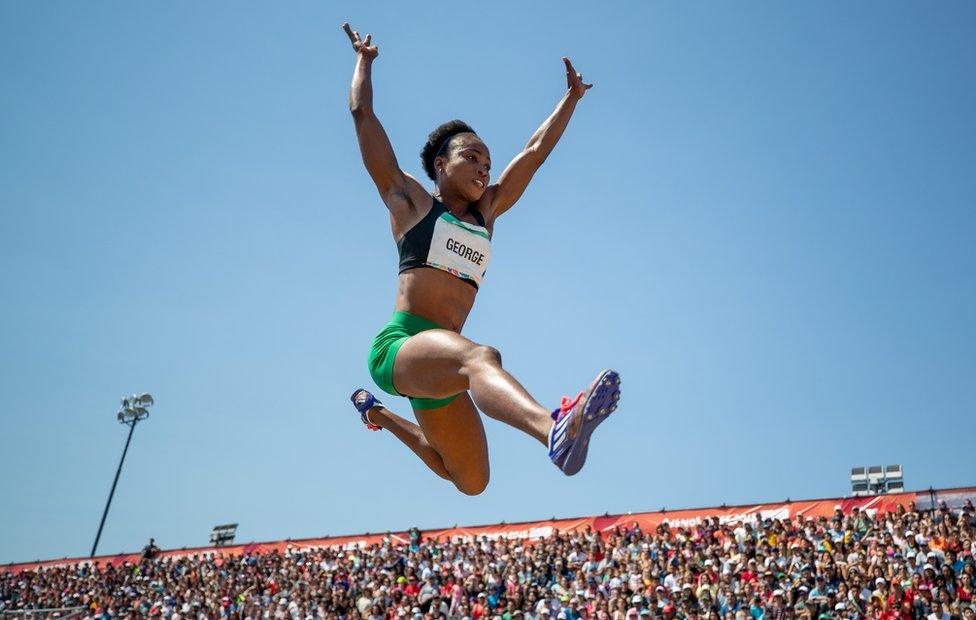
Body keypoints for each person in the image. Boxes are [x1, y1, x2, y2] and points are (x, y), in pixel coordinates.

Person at [342, 22, 621, 494]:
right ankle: (554, 427)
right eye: (471, 157)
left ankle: (379, 414)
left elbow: (533, 153)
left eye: (487, 163)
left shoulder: (486, 213)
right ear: (440, 166)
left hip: (442, 359)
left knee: (471, 481)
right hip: (402, 346)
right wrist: (364, 62)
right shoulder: (409, 201)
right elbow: (362, 114)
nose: (482, 168)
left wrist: (570, 100)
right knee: (481, 357)